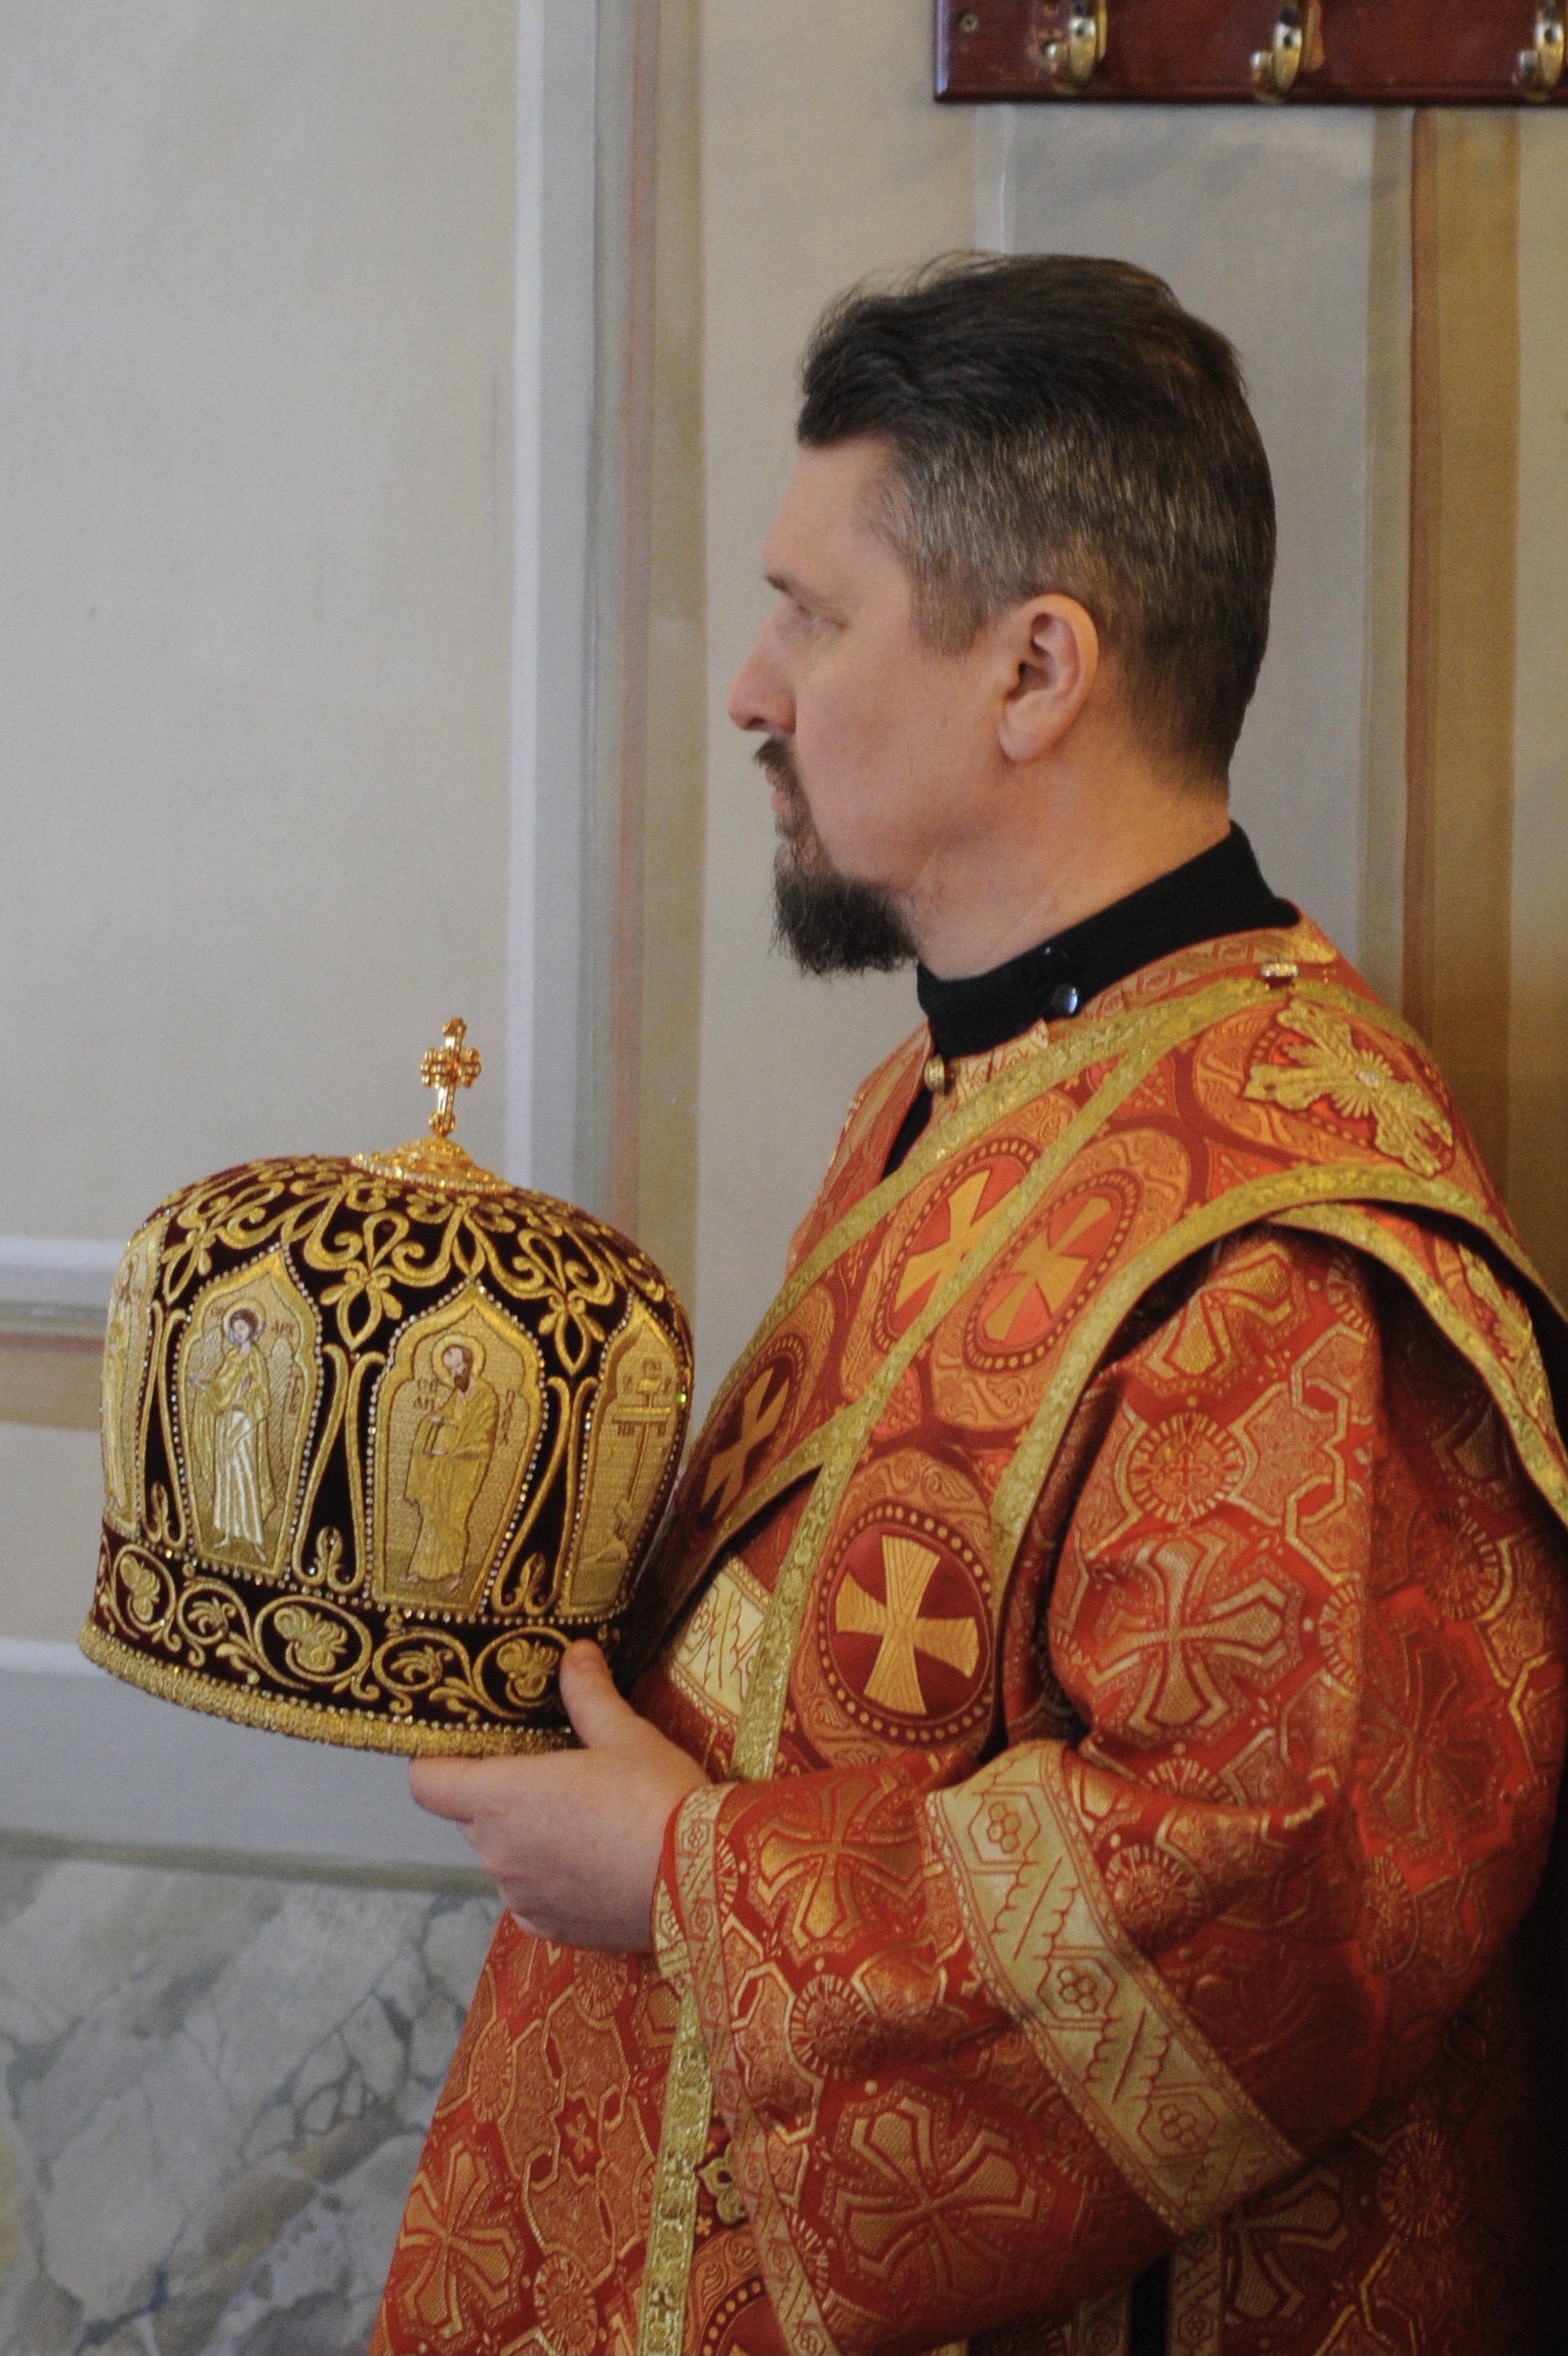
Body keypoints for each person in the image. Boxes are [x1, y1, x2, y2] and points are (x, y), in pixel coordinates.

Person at [372, 257, 1568, 2356]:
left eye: (812, 617)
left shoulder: (1279, 1241)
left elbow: (1271, 1880)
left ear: (1033, 670)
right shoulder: (971, 1077)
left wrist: (685, 1876)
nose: (751, 689)